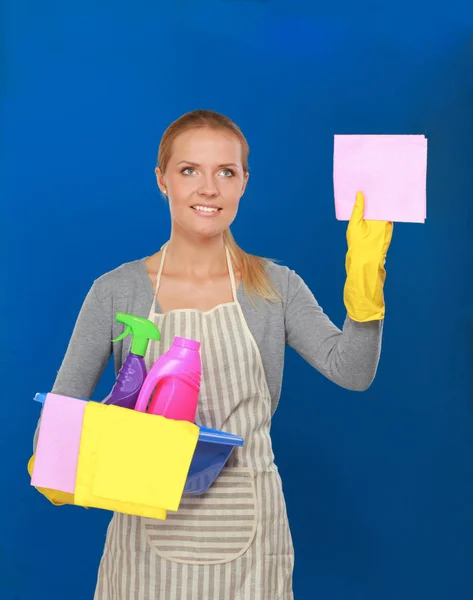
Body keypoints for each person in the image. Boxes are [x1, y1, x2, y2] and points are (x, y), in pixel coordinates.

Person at [31, 109, 393, 599]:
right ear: (162, 180)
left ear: (244, 182)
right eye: (188, 171)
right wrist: (74, 460)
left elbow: (352, 372)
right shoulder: (116, 293)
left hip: (252, 540)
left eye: (226, 172)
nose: (209, 188)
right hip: (146, 543)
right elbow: (58, 423)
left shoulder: (276, 288)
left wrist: (366, 292)